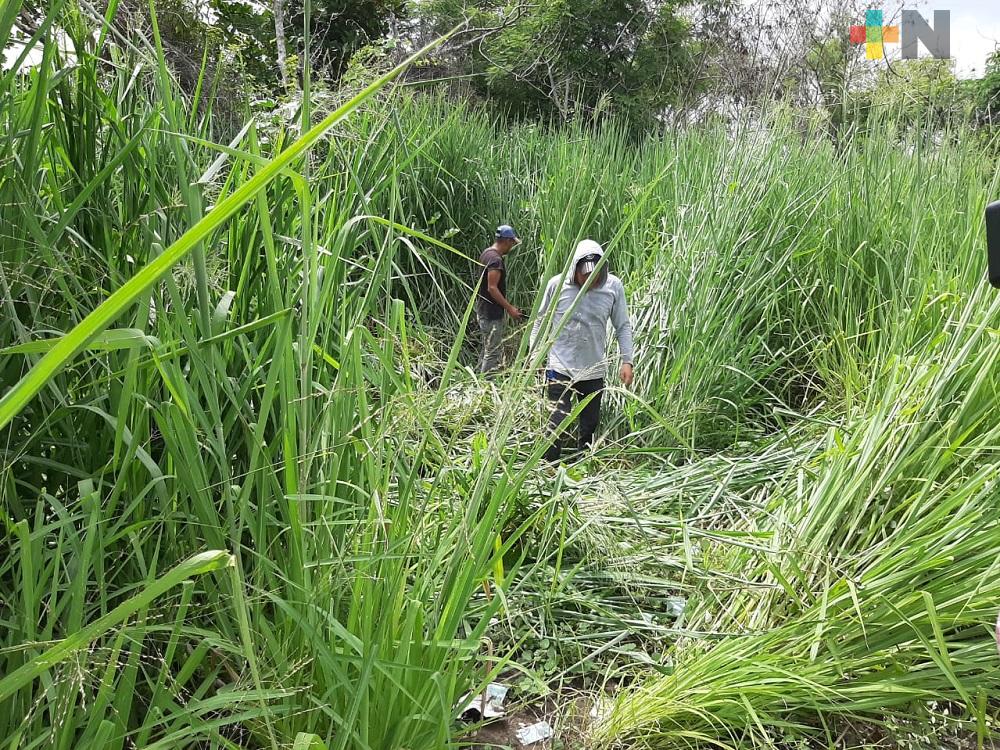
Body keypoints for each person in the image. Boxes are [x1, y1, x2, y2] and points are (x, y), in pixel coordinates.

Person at [529, 239, 634, 462]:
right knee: (557, 421)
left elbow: (622, 325)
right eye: (585, 275)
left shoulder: (612, 287)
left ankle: (582, 467)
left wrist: (627, 360)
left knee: (590, 424)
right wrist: (534, 355)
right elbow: (540, 322)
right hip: (560, 366)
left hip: (593, 369)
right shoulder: (556, 286)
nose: (590, 280)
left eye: (595, 275)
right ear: (575, 268)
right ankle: (549, 468)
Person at [475, 225, 523, 373]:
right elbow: (492, 287)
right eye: (512, 243)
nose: (512, 246)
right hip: (491, 314)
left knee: (487, 349)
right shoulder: (495, 260)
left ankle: (476, 379)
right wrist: (510, 309)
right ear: (507, 241)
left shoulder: (486, 254)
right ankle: (486, 386)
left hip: (483, 310)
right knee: (493, 353)